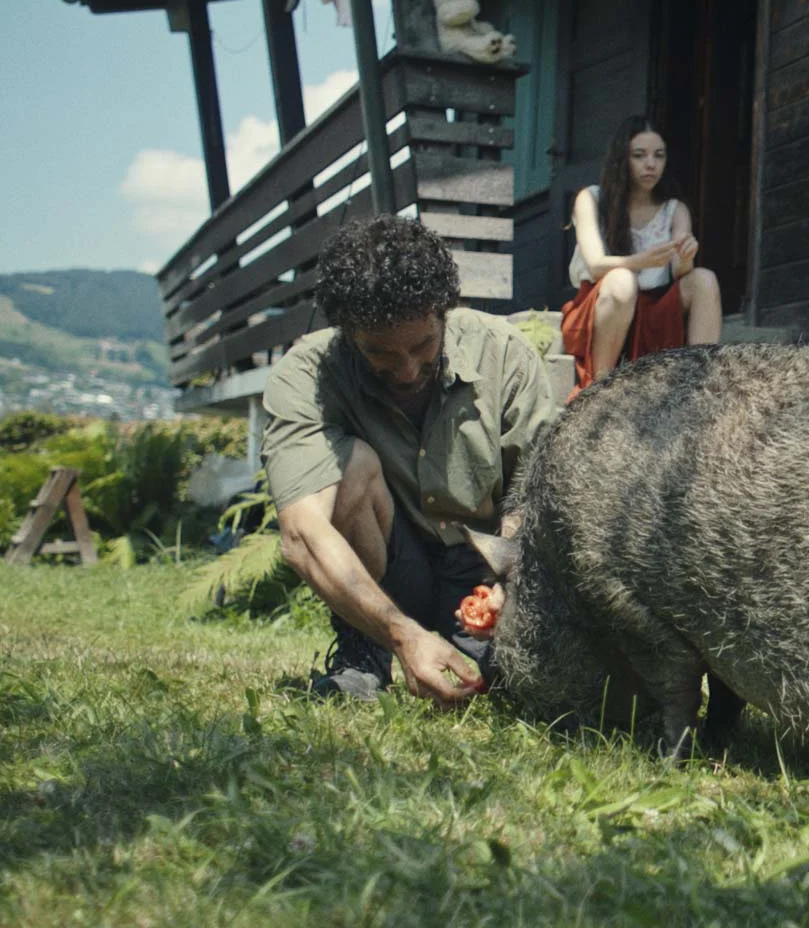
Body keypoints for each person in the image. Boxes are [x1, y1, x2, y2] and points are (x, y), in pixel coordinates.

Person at [262, 216, 558, 703]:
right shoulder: (308, 376)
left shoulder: (505, 356)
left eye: (423, 345)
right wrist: (401, 634)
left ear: (446, 312)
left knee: (531, 685)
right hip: (391, 563)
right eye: (381, 353)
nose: (406, 370)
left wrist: (508, 585)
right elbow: (302, 534)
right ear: (347, 334)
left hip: (480, 571)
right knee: (351, 466)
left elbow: (532, 494)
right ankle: (365, 653)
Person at [559, 116, 722, 393]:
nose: (651, 164)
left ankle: (700, 388)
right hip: (605, 309)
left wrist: (685, 257)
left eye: (659, 155)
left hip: (654, 313)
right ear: (622, 159)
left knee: (704, 278)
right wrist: (641, 262)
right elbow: (596, 265)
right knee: (621, 280)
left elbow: (680, 273)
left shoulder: (674, 209)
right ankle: (601, 388)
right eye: (639, 155)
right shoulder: (592, 199)